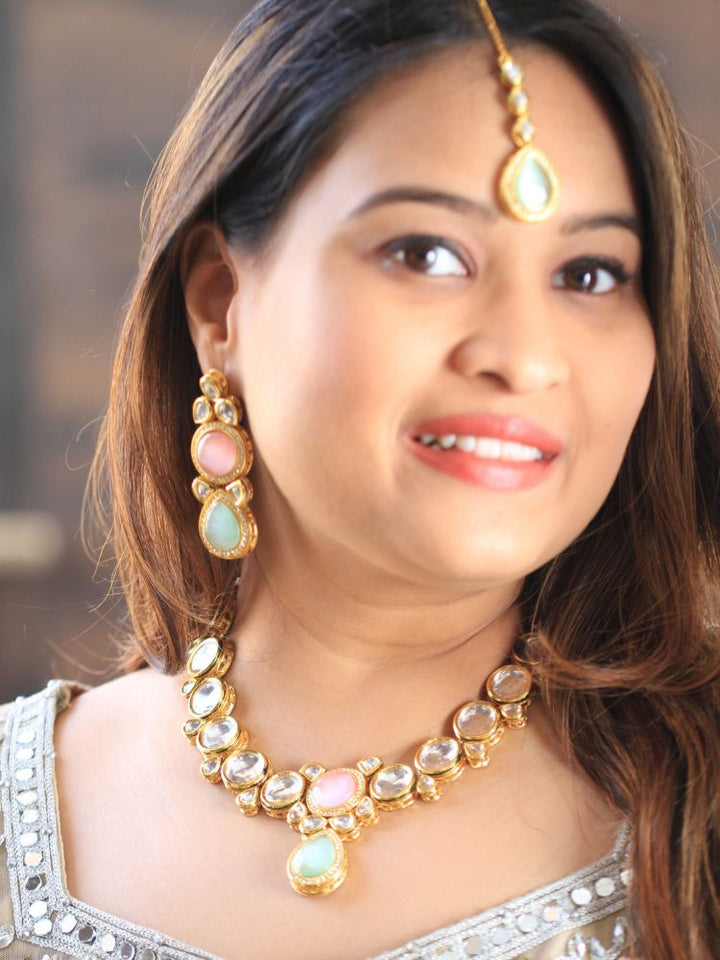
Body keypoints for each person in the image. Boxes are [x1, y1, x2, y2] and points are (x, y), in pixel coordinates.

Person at [1, 0, 719, 957]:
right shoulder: (23, 816)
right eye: (425, 253)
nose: (524, 355)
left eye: (590, 274)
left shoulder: (695, 815)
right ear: (222, 302)